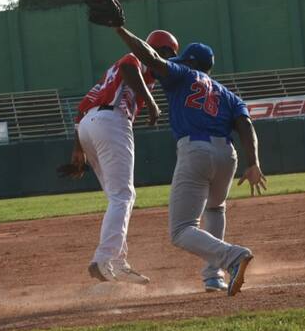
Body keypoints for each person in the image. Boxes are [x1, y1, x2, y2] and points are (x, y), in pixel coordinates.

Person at [112, 26, 267, 296]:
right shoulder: (228, 94)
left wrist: (120, 29)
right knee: (216, 210)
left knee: (182, 230)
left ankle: (233, 257)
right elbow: (245, 125)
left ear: (192, 62)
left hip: (196, 149)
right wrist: (253, 163)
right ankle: (213, 277)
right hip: (227, 155)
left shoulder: (183, 73)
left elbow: (150, 58)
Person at [71, 29, 179, 285]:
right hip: (112, 120)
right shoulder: (137, 58)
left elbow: (83, 106)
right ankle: (103, 258)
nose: (167, 60)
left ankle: (118, 262)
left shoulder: (110, 75)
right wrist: (150, 101)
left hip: (89, 123)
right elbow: (131, 68)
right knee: (124, 196)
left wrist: (77, 148)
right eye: (167, 53)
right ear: (157, 49)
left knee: (118, 197)